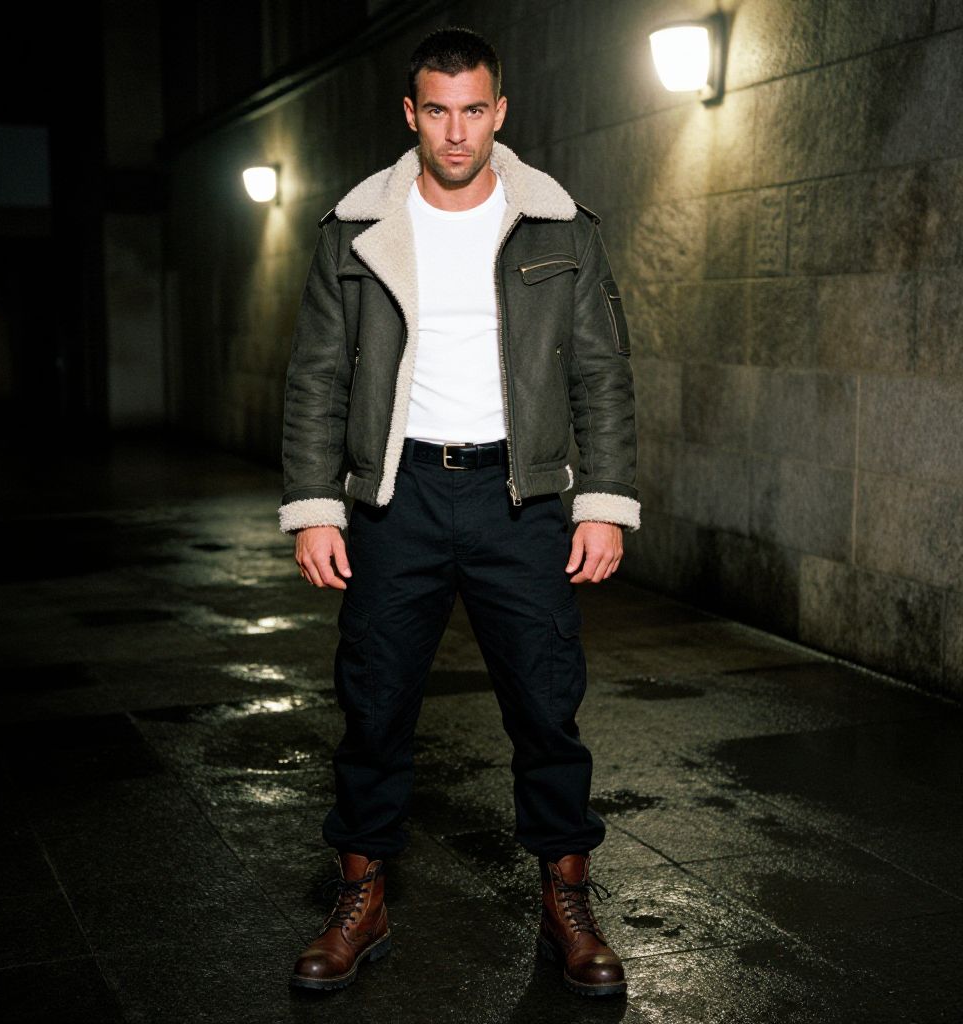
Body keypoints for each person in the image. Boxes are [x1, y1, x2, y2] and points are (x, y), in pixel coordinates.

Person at [279, 26, 639, 998]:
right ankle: (362, 894)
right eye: (436, 109)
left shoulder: (560, 225)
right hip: (396, 498)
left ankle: (566, 895)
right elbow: (316, 373)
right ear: (411, 113)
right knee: (374, 700)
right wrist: (316, 507)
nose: (454, 130)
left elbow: (601, 371)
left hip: (520, 498)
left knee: (545, 704)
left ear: (500, 111)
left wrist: (600, 503)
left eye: (473, 108)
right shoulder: (355, 228)